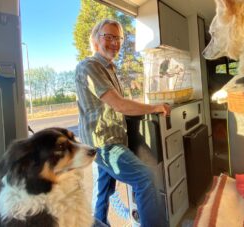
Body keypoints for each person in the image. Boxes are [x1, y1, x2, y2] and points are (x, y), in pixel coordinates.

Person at [75, 19, 170, 227]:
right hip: (105, 144)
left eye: (117, 38)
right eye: (107, 37)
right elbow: (119, 104)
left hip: (111, 140)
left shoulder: (110, 69)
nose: (114, 43)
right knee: (145, 178)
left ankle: (99, 222)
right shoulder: (89, 66)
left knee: (103, 192)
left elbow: (116, 107)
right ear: (95, 40)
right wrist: (154, 107)